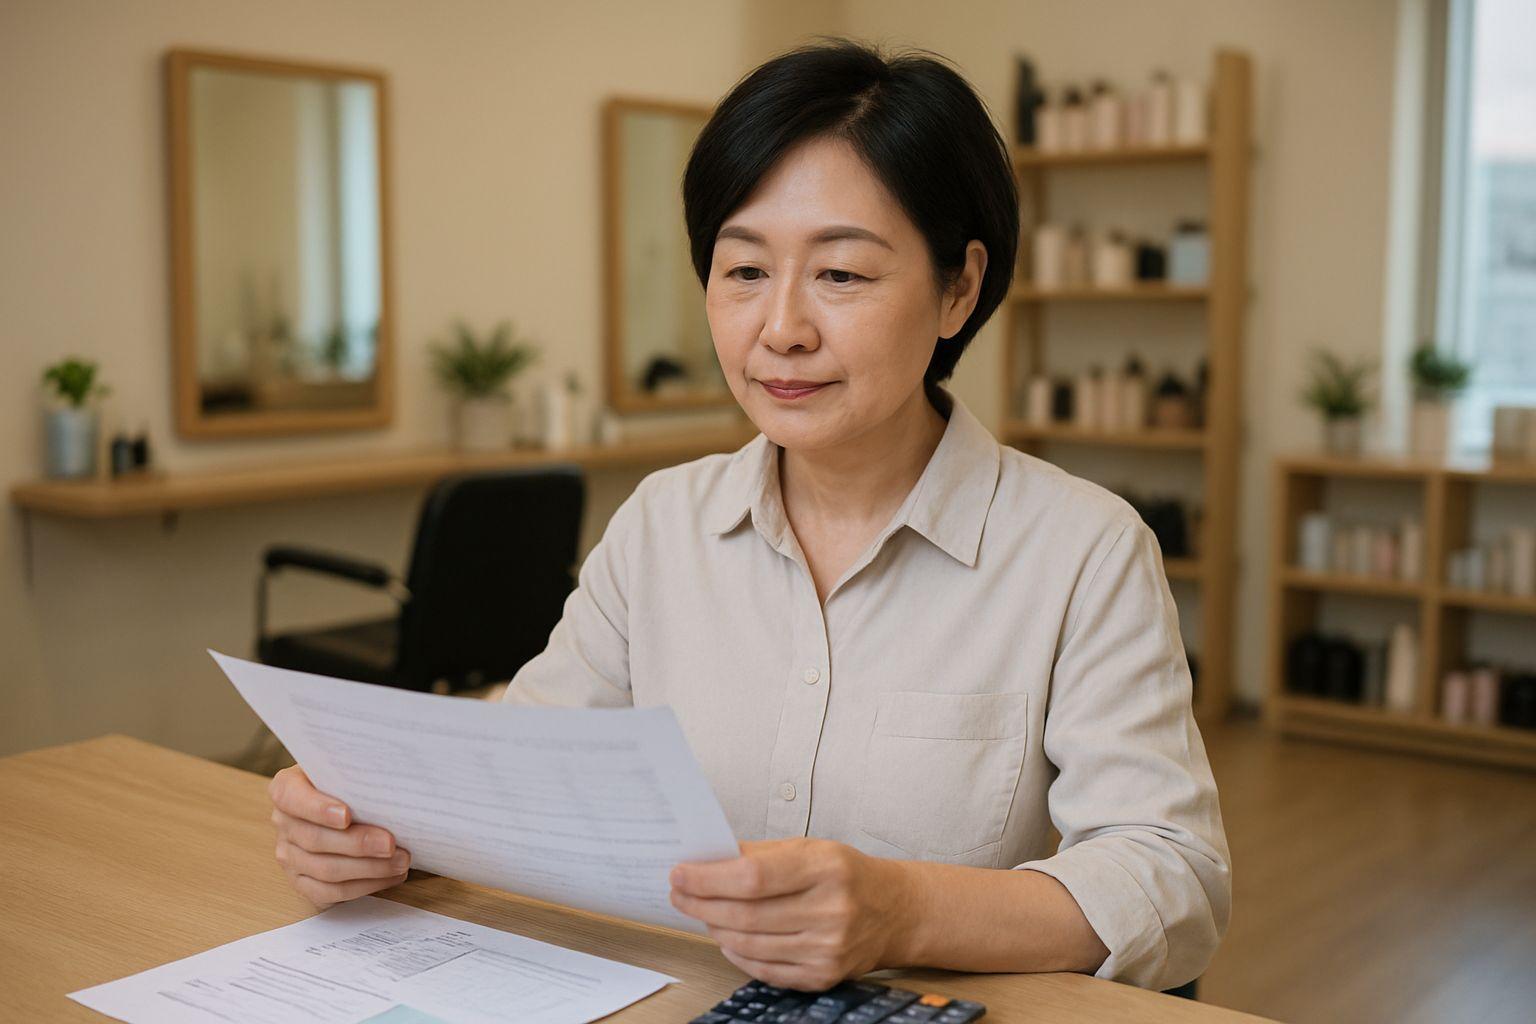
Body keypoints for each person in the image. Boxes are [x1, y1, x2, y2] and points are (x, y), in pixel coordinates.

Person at [268, 38, 1231, 994]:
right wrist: (373, 829)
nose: (782, 330)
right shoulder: (660, 528)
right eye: (744, 272)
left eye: (842, 275)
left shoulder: (1083, 550)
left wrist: (904, 908)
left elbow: (1171, 876)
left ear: (959, 288)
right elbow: (523, 776)